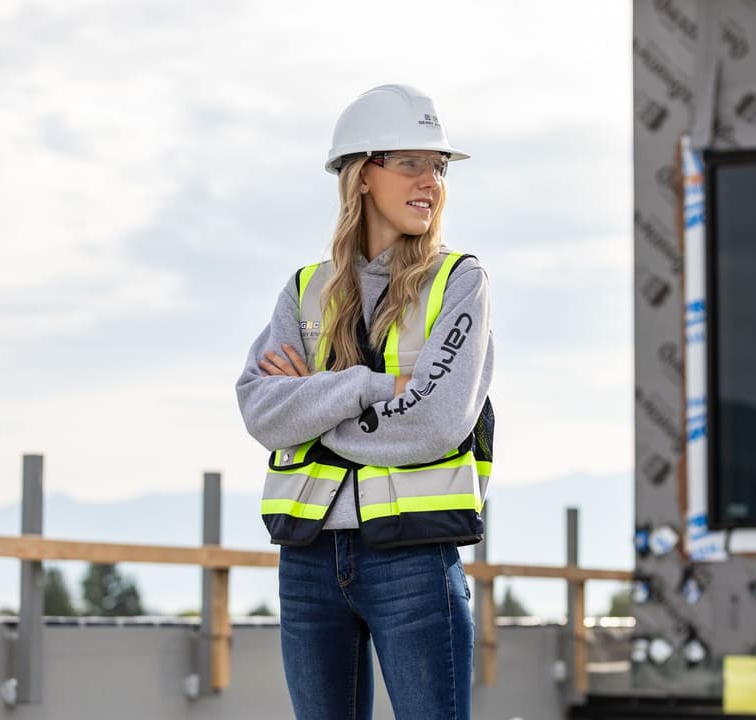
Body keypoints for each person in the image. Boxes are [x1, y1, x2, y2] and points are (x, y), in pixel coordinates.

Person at [235, 83, 494, 720]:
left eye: (438, 166)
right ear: (362, 175)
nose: (431, 181)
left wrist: (312, 409)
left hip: (415, 557)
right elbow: (261, 411)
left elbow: (436, 421)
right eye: (410, 162)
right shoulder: (305, 289)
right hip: (307, 560)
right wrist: (367, 387)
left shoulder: (459, 282)